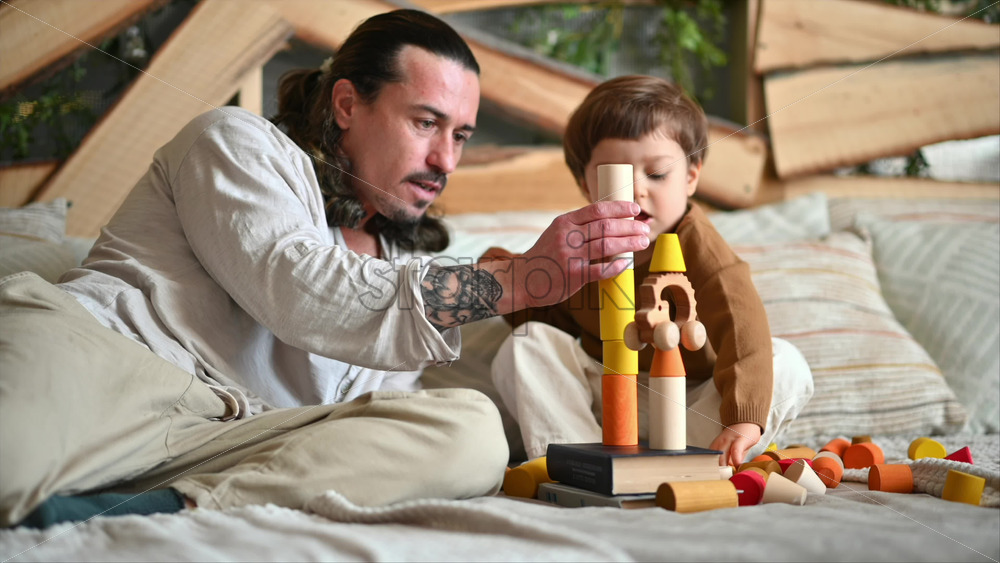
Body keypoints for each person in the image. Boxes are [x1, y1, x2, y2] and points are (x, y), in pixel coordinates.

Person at [0, 10, 650, 529]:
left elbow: (369, 416)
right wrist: (515, 277)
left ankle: (178, 508)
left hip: (234, 441)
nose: (444, 159)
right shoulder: (235, 144)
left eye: (461, 135)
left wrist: (583, 316)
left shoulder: (405, 268)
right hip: (111, 361)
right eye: (426, 122)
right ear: (347, 104)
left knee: (471, 432)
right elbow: (301, 290)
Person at [488, 75, 814, 467]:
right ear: (585, 184)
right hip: (600, 411)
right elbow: (546, 316)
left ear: (691, 176)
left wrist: (744, 416)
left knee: (786, 362)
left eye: (657, 174)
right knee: (526, 342)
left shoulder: (699, 244)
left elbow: (742, 326)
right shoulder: (580, 245)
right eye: (616, 178)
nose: (638, 191)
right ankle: (580, 463)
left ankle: (708, 459)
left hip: (689, 408)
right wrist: (505, 277)